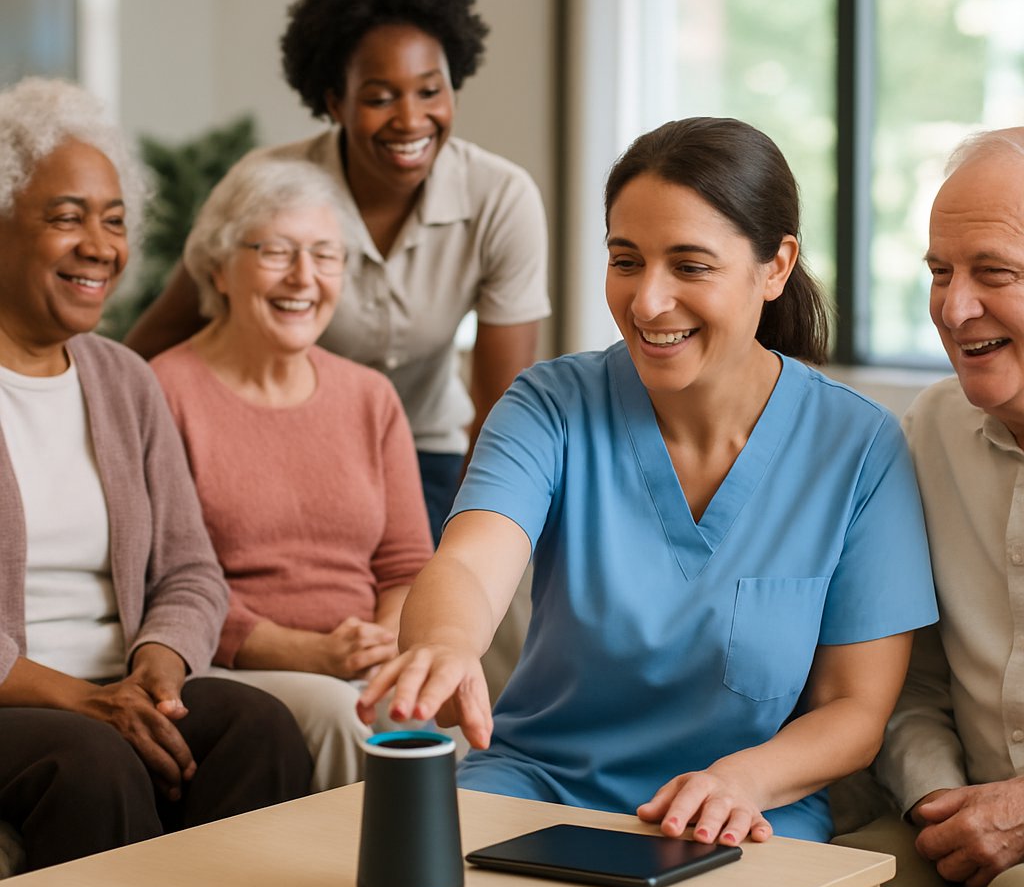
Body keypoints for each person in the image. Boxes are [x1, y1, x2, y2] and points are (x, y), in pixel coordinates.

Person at [357, 117, 939, 845]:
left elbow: (855, 711)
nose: (647, 302)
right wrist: (445, 643)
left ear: (776, 266)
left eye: (690, 266)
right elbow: (471, 562)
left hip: (746, 808)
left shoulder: (858, 447)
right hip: (540, 785)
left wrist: (741, 783)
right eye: (626, 261)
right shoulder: (550, 406)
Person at [124, 0, 551, 544]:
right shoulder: (269, 187)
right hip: (284, 441)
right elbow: (161, 336)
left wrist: (459, 548)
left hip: (429, 452)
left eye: (430, 91)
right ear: (334, 102)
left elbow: (503, 414)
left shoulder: (501, 198)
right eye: (379, 97)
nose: (411, 120)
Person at [0, 77, 312, 873]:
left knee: (258, 726)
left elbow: (189, 569)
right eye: (66, 218)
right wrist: (83, 699)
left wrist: (158, 671)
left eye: (114, 221)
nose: (101, 246)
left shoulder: (123, 380)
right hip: (25, 705)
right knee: (91, 761)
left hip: (120, 686)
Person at [150, 156, 434, 792]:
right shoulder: (164, 392)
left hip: (359, 657)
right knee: (341, 715)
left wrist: (381, 640)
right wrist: (310, 654)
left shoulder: (370, 396)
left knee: (438, 711)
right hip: (229, 665)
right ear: (219, 267)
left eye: (326, 255)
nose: (304, 277)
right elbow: (163, 581)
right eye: (277, 251)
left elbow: (407, 566)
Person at [836, 128, 1024, 887]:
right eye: (939, 272)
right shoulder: (930, 431)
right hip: (958, 827)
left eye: (995, 273)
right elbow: (910, 683)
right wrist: (941, 804)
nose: (954, 308)